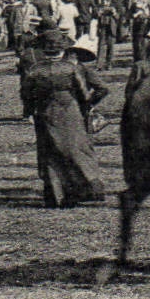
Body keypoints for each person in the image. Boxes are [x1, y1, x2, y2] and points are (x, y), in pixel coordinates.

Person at [19, 29, 105, 207]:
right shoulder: (71, 68)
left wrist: (29, 112)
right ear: (63, 49)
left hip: (45, 112)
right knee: (77, 149)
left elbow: (26, 94)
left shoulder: (35, 70)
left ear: (43, 50)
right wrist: (86, 106)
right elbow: (83, 93)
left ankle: (55, 196)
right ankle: (85, 190)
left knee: (50, 153)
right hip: (70, 111)